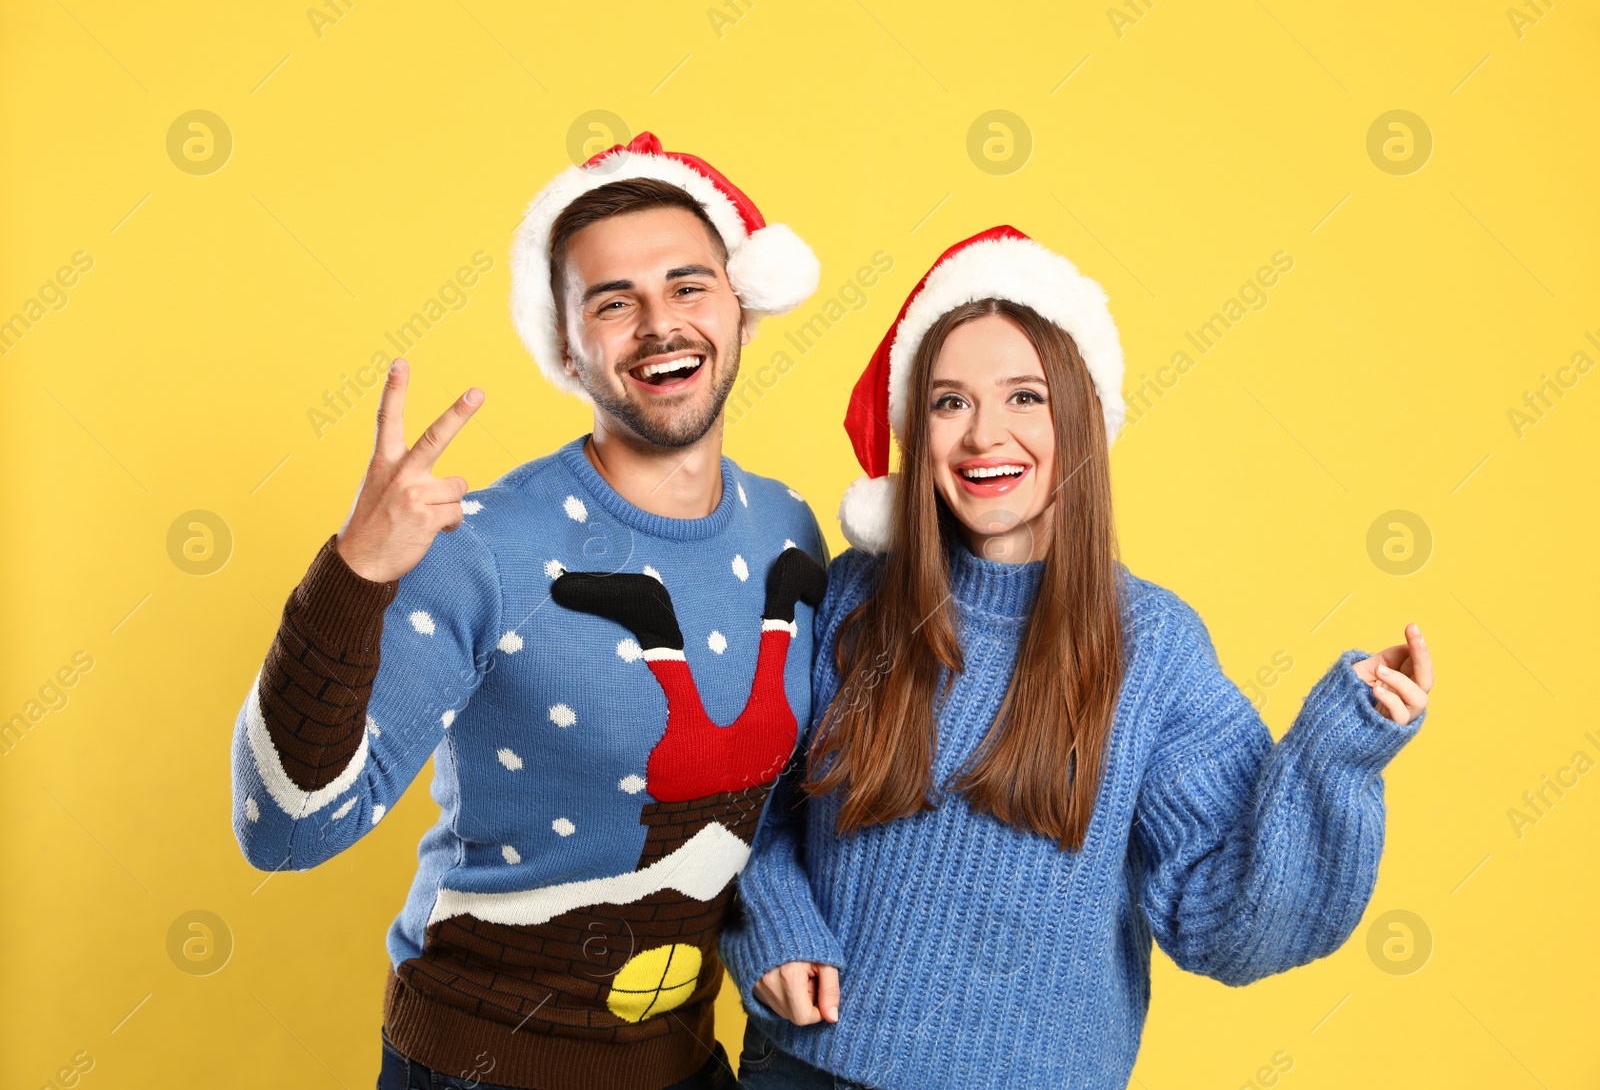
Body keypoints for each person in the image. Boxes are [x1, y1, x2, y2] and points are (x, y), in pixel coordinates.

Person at [722, 225, 1434, 1089]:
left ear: (1081, 416)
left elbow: (1228, 922)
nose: (985, 434)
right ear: (919, 430)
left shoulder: (1156, 647)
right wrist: (773, 923)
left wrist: (1336, 754)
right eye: (950, 401)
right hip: (804, 1068)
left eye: (1025, 397)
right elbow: (744, 804)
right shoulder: (853, 598)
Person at [230, 132, 834, 1090]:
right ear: (566, 344)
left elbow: (782, 810)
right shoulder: (482, 547)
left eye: (688, 286)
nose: (659, 324)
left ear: (741, 307)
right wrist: (353, 575)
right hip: (482, 1064)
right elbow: (288, 827)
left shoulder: (791, 533)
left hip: (680, 1058)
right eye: (613, 301)